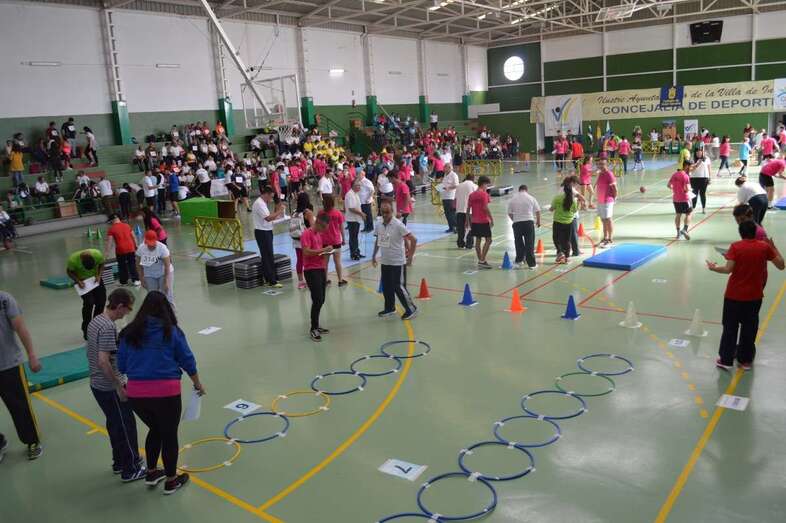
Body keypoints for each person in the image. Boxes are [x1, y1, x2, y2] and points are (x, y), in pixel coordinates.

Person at [118, 291, 205, 495]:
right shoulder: (172, 331)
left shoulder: (129, 333)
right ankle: (171, 481)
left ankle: (151, 472)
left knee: (155, 429)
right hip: (166, 393)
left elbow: (121, 366)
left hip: (137, 395)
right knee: (169, 434)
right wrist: (197, 384)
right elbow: (187, 360)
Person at [707, 221, 784, 370]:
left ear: (740, 233)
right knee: (749, 328)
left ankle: (726, 360)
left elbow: (728, 269)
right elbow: (781, 265)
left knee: (730, 328)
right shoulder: (765, 247)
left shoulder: (735, 247)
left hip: (733, 296)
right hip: (754, 296)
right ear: (755, 232)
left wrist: (713, 268)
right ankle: (745, 361)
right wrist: (773, 247)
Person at [86, 288, 145, 482]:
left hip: (97, 384)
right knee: (125, 426)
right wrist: (119, 386)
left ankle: (119, 461)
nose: (127, 313)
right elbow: (104, 361)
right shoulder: (108, 327)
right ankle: (131, 468)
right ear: (119, 306)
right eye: (128, 309)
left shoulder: (95, 321)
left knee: (114, 424)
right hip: (109, 387)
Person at [0, 291, 43, 462]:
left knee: (19, 407)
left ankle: (32, 441)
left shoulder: (4, 299)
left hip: (9, 365)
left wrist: (31, 355)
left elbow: (20, 327)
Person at [372, 201, 418, 320]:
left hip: (398, 261)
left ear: (392, 212)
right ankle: (390, 308)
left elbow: (413, 240)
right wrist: (374, 256)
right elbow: (378, 240)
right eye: (383, 212)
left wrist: (410, 257)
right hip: (385, 261)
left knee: (399, 287)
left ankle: (411, 308)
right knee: (387, 286)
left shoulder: (398, 225)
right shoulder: (379, 224)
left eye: (387, 212)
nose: (385, 215)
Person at [301, 214, 333, 341]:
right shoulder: (306, 234)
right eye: (324, 227)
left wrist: (326, 253)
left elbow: (318, 252)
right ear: (318, 223)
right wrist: (323, 250)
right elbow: (306, 252)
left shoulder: (318, 235)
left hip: (320, 269)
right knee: (317, 299)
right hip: (311, 270)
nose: (324, 230)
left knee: (322, 299)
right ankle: (313, 328)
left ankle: (317, 325)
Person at [67, 249, 106, 340]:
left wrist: (99, 275)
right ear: (82, 262)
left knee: (101, 302)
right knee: (89, 303)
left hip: (95, 279)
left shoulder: (97, 254)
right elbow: (69, 272)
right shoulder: (73, 260)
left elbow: (102, 264)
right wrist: (78, 281)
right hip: (82, 282)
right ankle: (86, 328)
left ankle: (96, 325)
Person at [252, 187, 286, 288]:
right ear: (266, 194)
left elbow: (270, 217)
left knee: (266, 256)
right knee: (268, 256)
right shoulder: (259, 204)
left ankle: (268, 278)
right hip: (262, 232)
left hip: (266, 231)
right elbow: (268, 218)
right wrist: (280, 211)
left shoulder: (262, 203)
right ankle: (272, 281)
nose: (270, 199)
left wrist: (278, 212)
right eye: (270, 197)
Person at [507, 184, 541, 269]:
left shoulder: (513, 199)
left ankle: (519, 261)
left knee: (518, 242)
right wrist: (538, 222)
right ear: (526, 190)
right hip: (529, 222)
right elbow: (538, 211)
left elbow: (509, 213)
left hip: (517, 223)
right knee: (529, 243)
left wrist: (514, 220)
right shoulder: (531, 198)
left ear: (519, 190)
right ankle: (532, 264)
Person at [136, 231, 174, 305]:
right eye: (149, 244)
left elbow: (167, 266)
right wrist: (141, 278)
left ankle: (171, 311)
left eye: (153, 243)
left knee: (167, 296)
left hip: (164, 273)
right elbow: (138, 265)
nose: (151, 246)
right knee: (152, 296)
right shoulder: (141, 248)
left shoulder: (162, 248)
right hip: (149, 274)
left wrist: (166, 281)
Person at [318, 194, 347, 286]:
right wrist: (344, 239)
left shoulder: (320, 213)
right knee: (337, 261)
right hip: (336, 241)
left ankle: (325, 280)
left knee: (324, 263)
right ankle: (340, 280)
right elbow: (341, 227)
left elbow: (318, 227)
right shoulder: (337, 213)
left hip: (324, 242)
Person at [105, 214, 141, 287]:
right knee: (132, 264)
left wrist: (106, 253)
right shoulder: (127, 225)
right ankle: (136, 280)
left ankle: (124, 282)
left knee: (122, 266)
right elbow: (134, 237)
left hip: (120, 250)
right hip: (131, 248)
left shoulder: (111, 229)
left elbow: (109, 242)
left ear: (112, 221)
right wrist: (136, 246)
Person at [467, 176, 494, 269]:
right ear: (483, 184)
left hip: (474, 221)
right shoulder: (484, 194)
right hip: (483, 220)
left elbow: (468, 209)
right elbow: (485, 207)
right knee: (489, 240)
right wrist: (491, 219)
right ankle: (482, 260)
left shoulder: (472, 195)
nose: (487, 187)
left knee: (478, 240)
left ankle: (481, 260)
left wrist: (467, 221)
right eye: (487, 185)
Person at [551, 176, 579, 264]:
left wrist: (555, 208)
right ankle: (567, 258)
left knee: (556, 239)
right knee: (566, 240)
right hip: (568, 222)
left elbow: (552, 209)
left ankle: (560, 254)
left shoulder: (557, 198)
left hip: (558, 221)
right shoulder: (573, 200)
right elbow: (575, 210)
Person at [594, 154, 617, 247]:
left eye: (603, 164)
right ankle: (605, 237)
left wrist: (614, 197)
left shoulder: (609, 174)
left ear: (607, 165)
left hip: (607, 200)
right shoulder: (600, 173)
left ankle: (610, 239)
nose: (601, 166)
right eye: (599, 164)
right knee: (603, 219)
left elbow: (615, 188)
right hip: (600, 200)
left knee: (608, 219)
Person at [668, 160, 692, 241]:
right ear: (686, 166)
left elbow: (669, 185)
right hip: (684, 199)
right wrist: (687, 190)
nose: (690, 168)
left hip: (676, 198)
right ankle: (685, 229)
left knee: (678, 214)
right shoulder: (686, 176)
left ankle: (678, 233)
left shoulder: (674, 174)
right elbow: (687, 189)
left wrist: (675, 189)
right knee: (689, 214)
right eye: (690, 167)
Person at [344, 180, 365, 260]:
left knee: (355, 237)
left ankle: (357, 252)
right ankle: (353, 254)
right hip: (352, 219)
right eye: (357, 185)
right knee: (353, 237)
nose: (359, 187)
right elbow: (351, 208)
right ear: (353, 186)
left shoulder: (355, 194)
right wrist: (361, 214)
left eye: (359, 185)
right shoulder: (350, 194)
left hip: (356, 219)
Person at [455, 173, 477, 249]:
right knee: (470, 228)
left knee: (460, 228)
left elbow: (455, 198)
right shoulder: (474, 186)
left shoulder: (459, 185)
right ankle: (469, 244)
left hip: (459, 209)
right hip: (469, 211)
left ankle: (460, 243)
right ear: (473, 179)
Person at [689, 148, 711, 214]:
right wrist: (697, 164)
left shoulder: (707, 159)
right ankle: (693, 208)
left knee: (702, 194)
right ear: (695, 153)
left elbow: (709, 168)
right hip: (694, 178)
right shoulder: (692, 159)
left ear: (702, 153)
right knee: (694, 194)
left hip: (704, 178)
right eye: (697, 153)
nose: (699, 154)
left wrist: (710, 178)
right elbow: (690, 169)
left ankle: (703, 208)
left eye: (700, 152)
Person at [441, 164, 459, 233]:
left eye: (444, 168)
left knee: (452, 213)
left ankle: (457, 227)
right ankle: (451, 227)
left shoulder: (454, 175)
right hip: (444, 196)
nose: (443, 169)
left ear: (449, 168)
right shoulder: (445, 175)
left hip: (451, 197)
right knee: (447, 213)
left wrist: (448, 188)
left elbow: (456, 185)